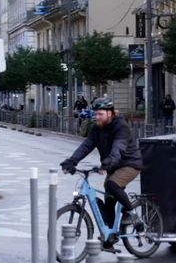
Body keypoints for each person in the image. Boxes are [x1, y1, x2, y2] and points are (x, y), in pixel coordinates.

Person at [60, 98, 143, 243]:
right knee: (109, 198)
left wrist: (107, 164)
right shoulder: (97, 129)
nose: (96, 117)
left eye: (100, 114)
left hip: (130, 164)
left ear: (110, 114)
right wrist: (71, 161)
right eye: (95, 114)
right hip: (113, 165)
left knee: (112, 184)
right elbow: (86, 146)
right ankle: (110, 236)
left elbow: (119, 148)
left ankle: (130, 213)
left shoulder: (120, 127)